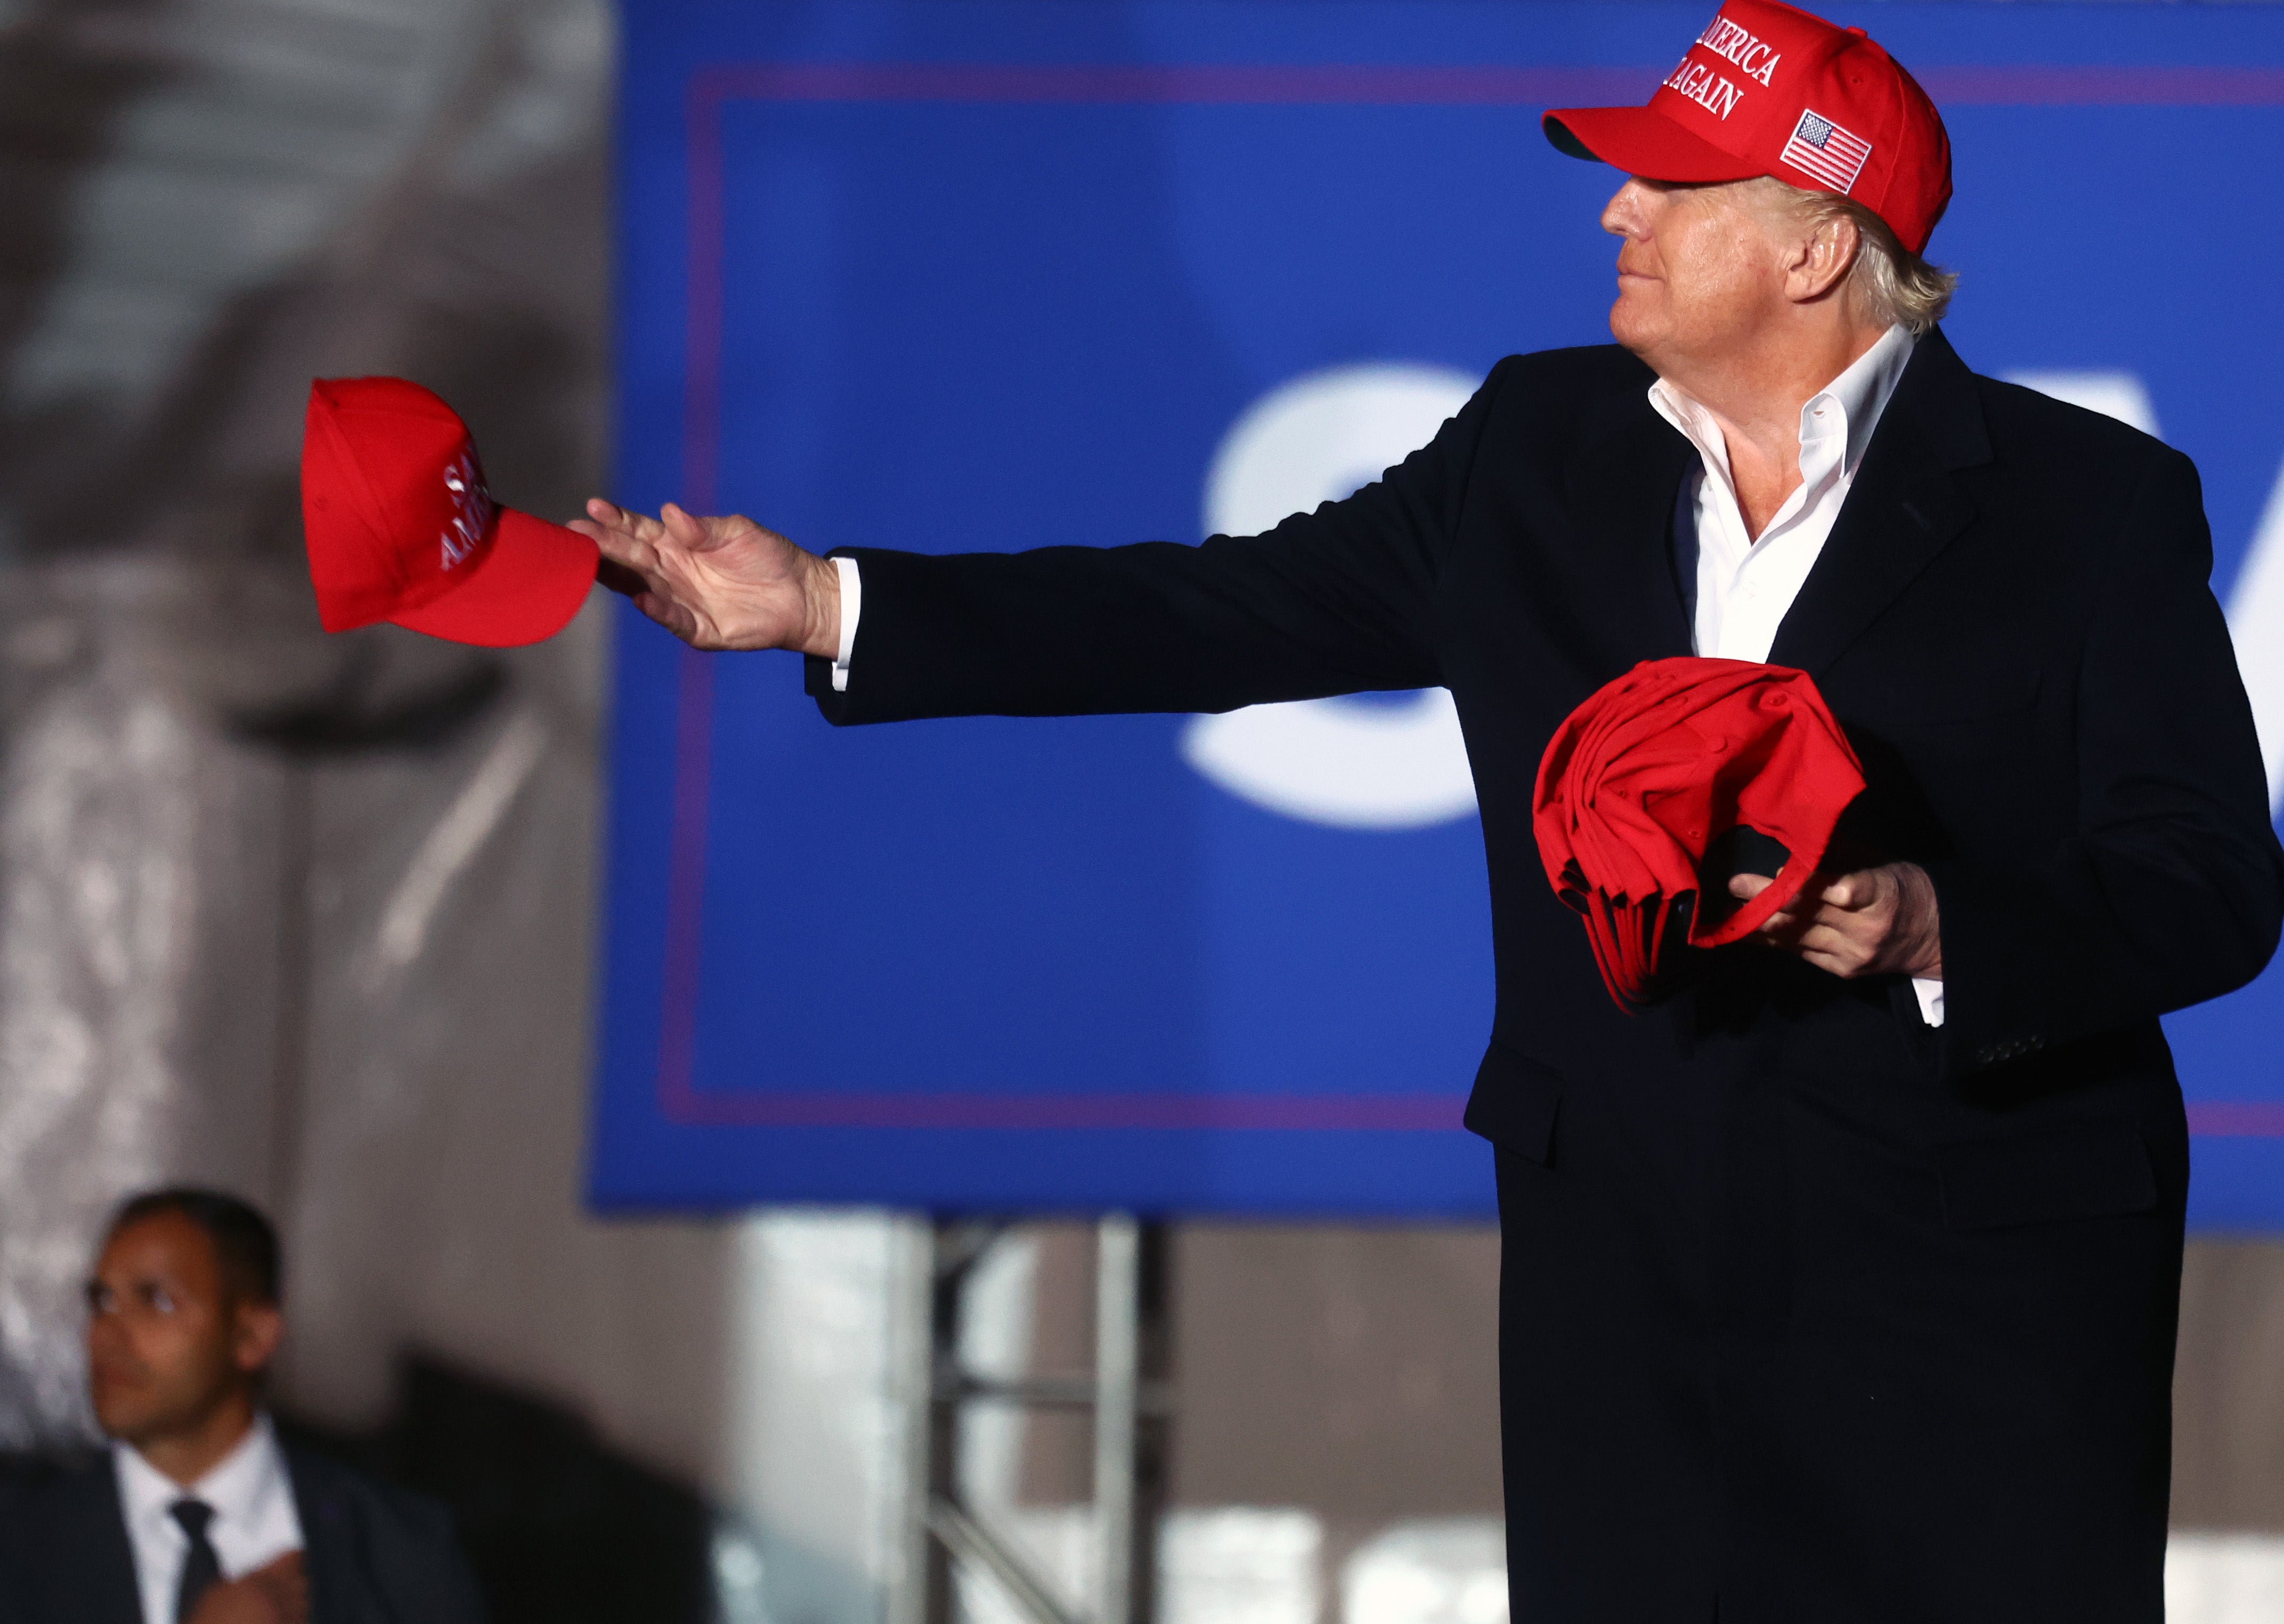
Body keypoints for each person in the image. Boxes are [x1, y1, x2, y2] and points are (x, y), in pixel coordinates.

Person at [578, 1, 2284, 1619]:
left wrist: (1934, 922)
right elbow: (1219, 610)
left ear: (1813, 245)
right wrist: (825, 603)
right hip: (1632, 1283)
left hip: (1970, 1301)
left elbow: (2206, 879)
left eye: (1669, 184)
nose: (1616, 205)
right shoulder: (1535, 448)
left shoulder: (2083, 506)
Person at [0, 1189, 484, 1624]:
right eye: (102, 1301)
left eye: (157, 1301)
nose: (108, 1336)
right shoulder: (1, 1549)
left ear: (253, 1334)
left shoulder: (398, 1549)